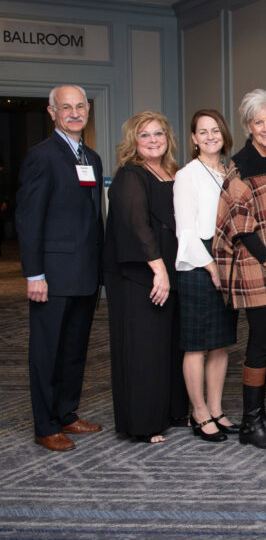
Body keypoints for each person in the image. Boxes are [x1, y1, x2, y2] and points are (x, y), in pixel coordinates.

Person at [16, 84, 104, 451]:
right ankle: (45, 424)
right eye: (65, 107)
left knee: (74, 348)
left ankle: (67, 413)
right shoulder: (42, 156)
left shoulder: (92, 158)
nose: (73, 113)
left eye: (79, 106)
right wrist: (34, 273)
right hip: (52, 276)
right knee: (47, 351)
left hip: (86, 273)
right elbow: (28, 218)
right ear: (52, 112)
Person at [213, 89, 266, 450]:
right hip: (257, 265)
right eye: (259, 122)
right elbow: (241, 226)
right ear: (248, 125)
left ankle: (258, 416)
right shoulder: (239, 167)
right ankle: (251, 423)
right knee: (261, 340)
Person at [104, 111, 187, 444]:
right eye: (145, 135)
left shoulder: (172, 171)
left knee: (168, 344)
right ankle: (142, 423)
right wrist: (159, 270)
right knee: (144, 348)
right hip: (140, 274)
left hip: (169, 269)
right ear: (133, 142)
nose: (153, 140)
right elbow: (138, 226)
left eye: (159, 133)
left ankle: (169, 411)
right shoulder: (131, 175)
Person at [173, 109, 239, 443]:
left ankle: (216, 408)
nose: (210, 136)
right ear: (193, 139)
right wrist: (212, 267)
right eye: (203, 131)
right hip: (199, 264)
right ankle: (198, 412)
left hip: (226, 259)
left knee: (221, 343)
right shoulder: (187, 175)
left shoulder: (228, 171)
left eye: (215, 130)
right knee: (197, 345)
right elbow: (185, 232)